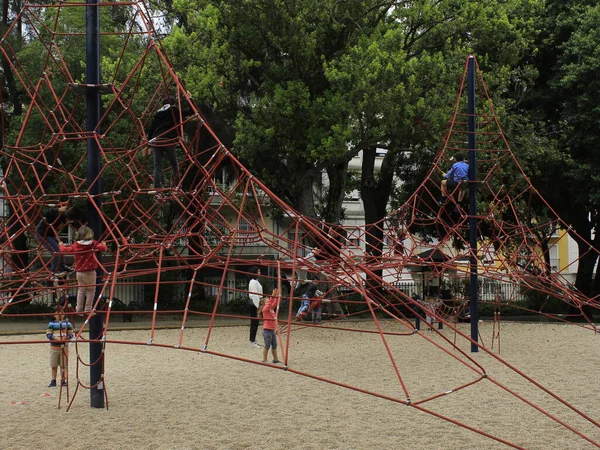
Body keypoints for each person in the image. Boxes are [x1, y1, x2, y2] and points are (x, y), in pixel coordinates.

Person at [146, 95, 193, 189]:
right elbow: (191, 111)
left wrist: (149, 144)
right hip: (169, 140)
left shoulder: (158, 113)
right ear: (173, 103)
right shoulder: (174, 111)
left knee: (157, 166)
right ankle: (178, 185)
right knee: (174, 163)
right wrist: (189, 99)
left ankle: (156, 188)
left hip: (157, 140)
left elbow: (151, 129)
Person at [58, 225, 107, 312]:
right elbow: (103, 248)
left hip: (79, 272)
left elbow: (65, 250)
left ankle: (79, 309)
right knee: (91, 290)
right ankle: (88, 309)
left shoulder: (76, 245)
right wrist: (104, 244)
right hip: (90, 272)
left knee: (81, 290)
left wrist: (61, 245)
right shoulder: (93, 244)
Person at [35, 204, 77, 277]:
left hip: (50, 235)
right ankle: (54, 271)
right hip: (42, 235)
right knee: (56, 251)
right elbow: (45, 213)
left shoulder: (64, 220)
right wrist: (58, 209)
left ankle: (62, 266)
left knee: (60, 250)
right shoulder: (58, 215)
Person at [46, 305, 74, 387]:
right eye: (58, 313)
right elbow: (48, 334)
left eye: (62, 312)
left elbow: (71, 334)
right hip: (54, 347)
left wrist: (67, 337)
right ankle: (53, 380)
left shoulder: (67, 323)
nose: (60, 314)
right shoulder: (51, 324)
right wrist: (55, 338)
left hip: (64, 347)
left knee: (63, 365)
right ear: (54, 315)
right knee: (54, 365)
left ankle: (63, 380)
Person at [259, 288, 281, 364]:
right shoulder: (265, 309)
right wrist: (272, 295)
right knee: (267, 346)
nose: (269, 301)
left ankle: (275, 359)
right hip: (267, 330)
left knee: (274, 345)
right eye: (267, 300)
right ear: (264, 303)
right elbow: (270, 303)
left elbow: (275, 302)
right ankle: (264, 359)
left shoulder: (271, 309)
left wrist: (277, 296)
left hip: (272, 330)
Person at [248, 266, 263, 348]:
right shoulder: (253, 282)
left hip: (257, 302)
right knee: (254, 322)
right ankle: (252, 341)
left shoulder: (256, 281)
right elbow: (254, 295)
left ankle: (253, 340)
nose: (260, 273)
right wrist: (258, 307)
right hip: (254, 303)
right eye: (258, 271)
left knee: (256, 323)